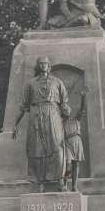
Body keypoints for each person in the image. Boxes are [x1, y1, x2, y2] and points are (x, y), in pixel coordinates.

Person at [13, 56, 70, 192]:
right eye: (41, 63)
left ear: (49, 66)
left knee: (57, 146)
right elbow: (23, 106)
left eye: (46, 63)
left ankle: (61, 181)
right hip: (36, 114)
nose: (43, 65)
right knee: (37, 149)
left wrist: (66, 110)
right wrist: (15, 124)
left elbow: (64, 101)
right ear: (38, 66)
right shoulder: (31, 84)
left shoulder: (57, 82)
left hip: (53, 113)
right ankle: (40, 182)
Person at [62, 86, 88, 191]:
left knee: (76, 165)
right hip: (67, 142)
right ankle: (64, 184)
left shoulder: (75, 119)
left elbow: (82, 109)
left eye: (67, 110)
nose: (67, 111)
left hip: (77, 141)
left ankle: (74, 186)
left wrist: (83, 97)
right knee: (67, 165)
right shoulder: (61, 122)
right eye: (65, 110)